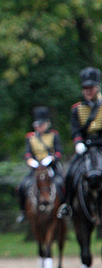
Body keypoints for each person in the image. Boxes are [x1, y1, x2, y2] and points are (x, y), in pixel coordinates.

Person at [58, 67, 102, 218]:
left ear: (97, 87)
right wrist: (78, 143)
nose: (87, 91)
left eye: (90, 88)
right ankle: (67, 205)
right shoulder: (77, 109)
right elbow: (76, 130)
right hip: (86, 148)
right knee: (70, 173)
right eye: (85, 88)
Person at [16, 106, 64, 222]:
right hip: (36, 169)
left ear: (47, 124)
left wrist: (51, 159)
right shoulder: (30, 137)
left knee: (61, 184)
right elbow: (27, 154)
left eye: (41, 125)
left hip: (51, 167)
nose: (39, 127)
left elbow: (59, 152)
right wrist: (31, 161)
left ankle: (64, 208)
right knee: (22, 186)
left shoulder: (54, 135)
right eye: (37, 125)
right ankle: (23, 211)